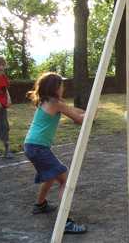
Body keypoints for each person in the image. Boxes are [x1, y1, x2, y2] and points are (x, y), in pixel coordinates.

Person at [24, 72, 87, 234]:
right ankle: (65, 222)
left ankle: (40, 205)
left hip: (32, 145)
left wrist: (88, 110)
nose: (63, 87)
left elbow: (73, 110)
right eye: (61, 85)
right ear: (55, 87)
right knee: (66, 180)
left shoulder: (47, 101)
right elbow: (79, 119)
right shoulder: (55, 103)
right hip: (38, 147)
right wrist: (89, 114)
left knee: (51, 175)